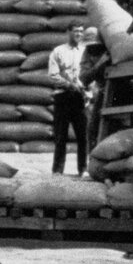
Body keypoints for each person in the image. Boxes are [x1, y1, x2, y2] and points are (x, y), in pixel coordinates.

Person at [48, 25, 94, 175]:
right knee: (61, 135)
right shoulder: (58, 51)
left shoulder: (85, 51)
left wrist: (87, 90)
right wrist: (69, 85)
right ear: (68, 32)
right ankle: (57, 170)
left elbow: (90, 73)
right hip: (63, 96)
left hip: (80, 97)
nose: (79, 34)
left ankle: (83, 169)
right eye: (76, 31)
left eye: (81, 31)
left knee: (83, 135)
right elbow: (53, 75)